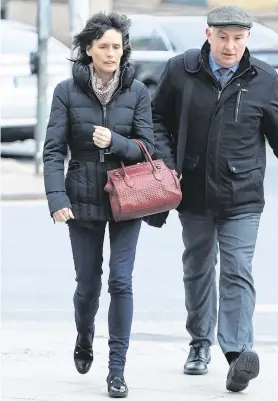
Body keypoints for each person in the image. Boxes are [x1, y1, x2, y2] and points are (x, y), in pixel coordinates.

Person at [150, 5, 278, 393]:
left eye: (238, 39)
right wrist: (166, 162)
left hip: (242, 195)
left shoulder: (262, 77)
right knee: (197, 269)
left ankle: (238, 353)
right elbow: (157, 119)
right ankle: (198, 342)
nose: (230, 46)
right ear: (207, 34)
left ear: (247, 39)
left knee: (237, 271)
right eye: (223, 37)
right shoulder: (181, 70)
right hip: (191, 191)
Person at [42, 12, 154, 398]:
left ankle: (117, 370)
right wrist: (57, 198)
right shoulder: (65, 91)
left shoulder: (137, 91)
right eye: (104, 46)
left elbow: (147, 148)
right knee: (88, 286)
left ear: (125, 51)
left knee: (121, 281)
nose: (111, 53)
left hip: (129, 199)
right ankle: (84, 333)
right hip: (82, 199)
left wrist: (117, 144)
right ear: (88, 49)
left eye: (117, 47)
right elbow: (54, 151)